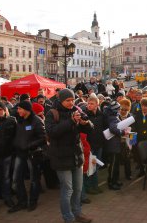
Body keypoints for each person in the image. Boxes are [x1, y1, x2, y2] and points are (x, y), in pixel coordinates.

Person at [45, 89, 93, 223]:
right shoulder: (52, 113)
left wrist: (86, 123)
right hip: (61, 157)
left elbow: (90, 129)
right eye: (68, 101)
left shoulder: (76, 110)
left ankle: (77, 213)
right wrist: (71, 121)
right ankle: (68, 217)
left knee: (78, 188)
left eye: (72, 100)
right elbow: (53, 132)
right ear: (61, 101)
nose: (71, 103)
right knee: (67, 190)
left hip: (76, 155)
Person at [9, 101, 47, 213]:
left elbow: (43, 138)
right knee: (16, 179)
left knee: (34, 180)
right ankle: (22, 202)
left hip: (33, 154)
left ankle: (33, 201)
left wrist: (29, 145)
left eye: (20, 109)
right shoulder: (19, 120)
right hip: (20, 154)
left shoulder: (37, 121)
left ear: (27, 109)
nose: (18, 111)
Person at [83, 94, 106, 195]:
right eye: (88, 103)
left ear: (97, 104)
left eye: (92, 104)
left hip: (99, 144)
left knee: (96, 167)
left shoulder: (101, 115)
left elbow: (105, 128)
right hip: (90, 145)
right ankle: (88, 187)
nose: (89, 105)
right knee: (90, 167)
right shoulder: (85, 116)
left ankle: (95, 185)